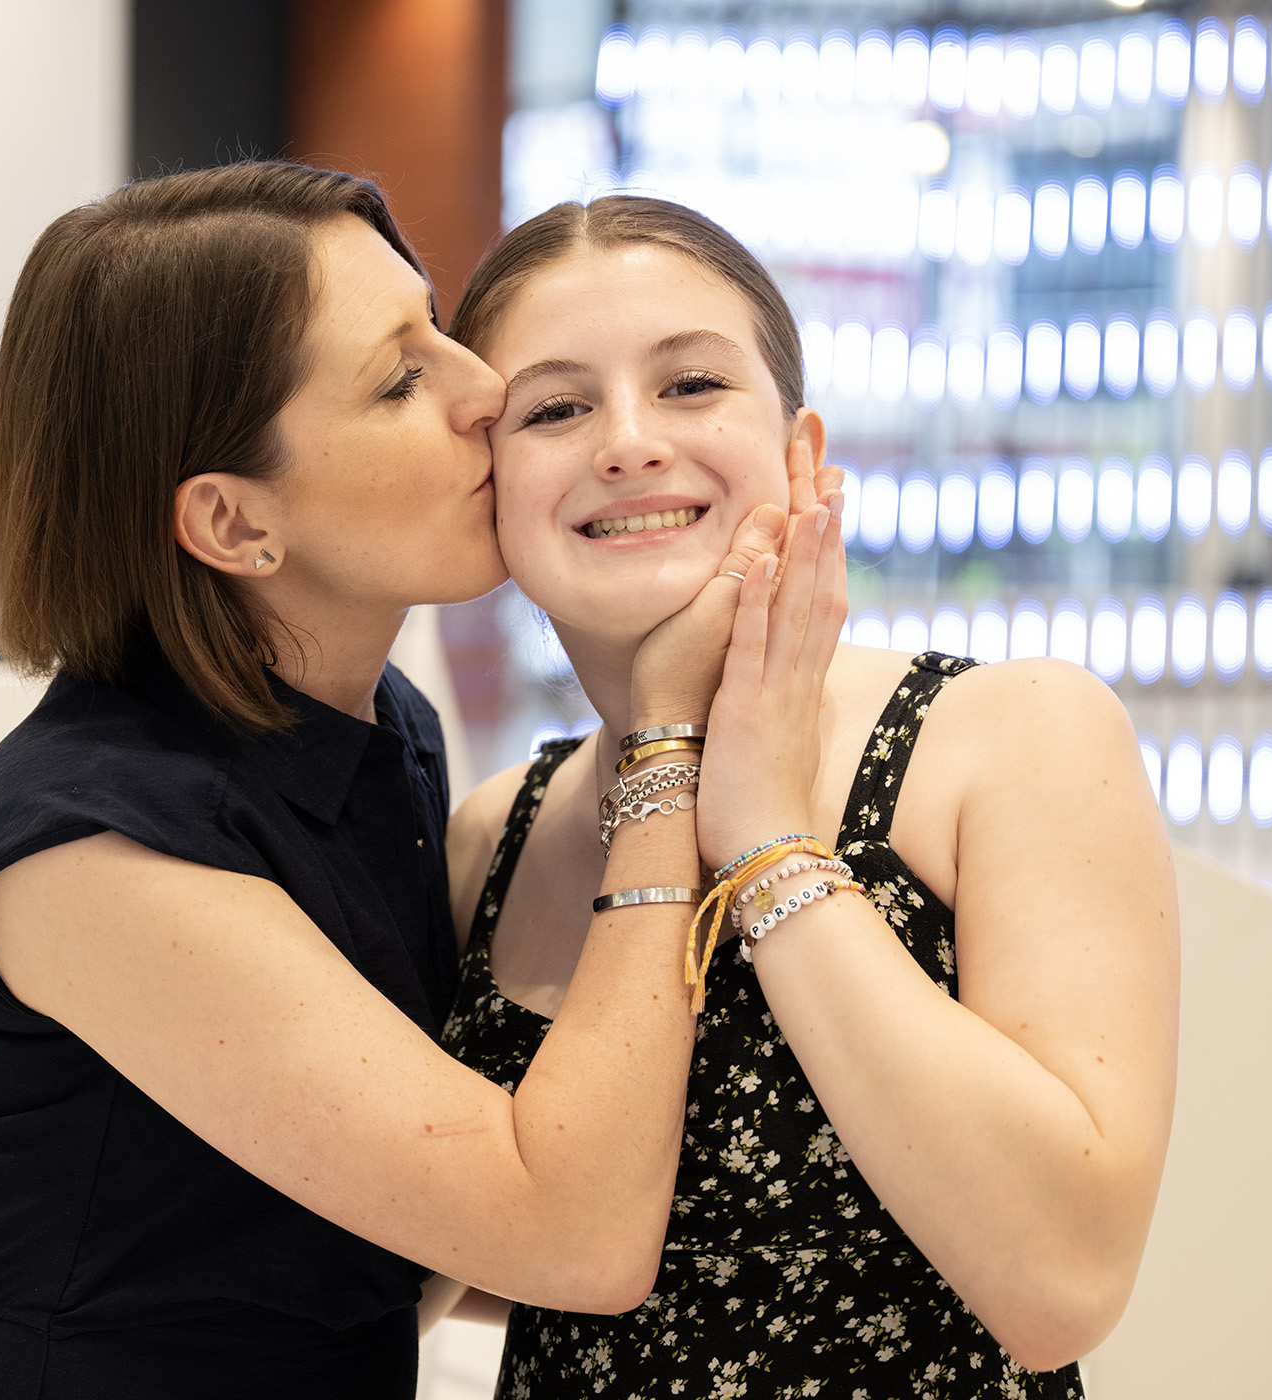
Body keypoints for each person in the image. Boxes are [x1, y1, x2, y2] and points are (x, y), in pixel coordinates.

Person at [0, 162, 837, 1399]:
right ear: (234, 524)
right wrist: (667, 734)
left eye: (438, 325)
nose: (486, 390)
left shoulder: (380, 731)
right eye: (402, 378)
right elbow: (566, 1232)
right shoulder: (93, 844)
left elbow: (394, 1233)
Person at [431, 196, 1180, 1398]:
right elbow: (448, 1257)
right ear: (487, 486)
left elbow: (1063, 1279)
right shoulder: (489, 834)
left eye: (690, 385)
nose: (628, 442)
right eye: (556, 408)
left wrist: (769, 840)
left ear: (800, 448)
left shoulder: (1013, 736)